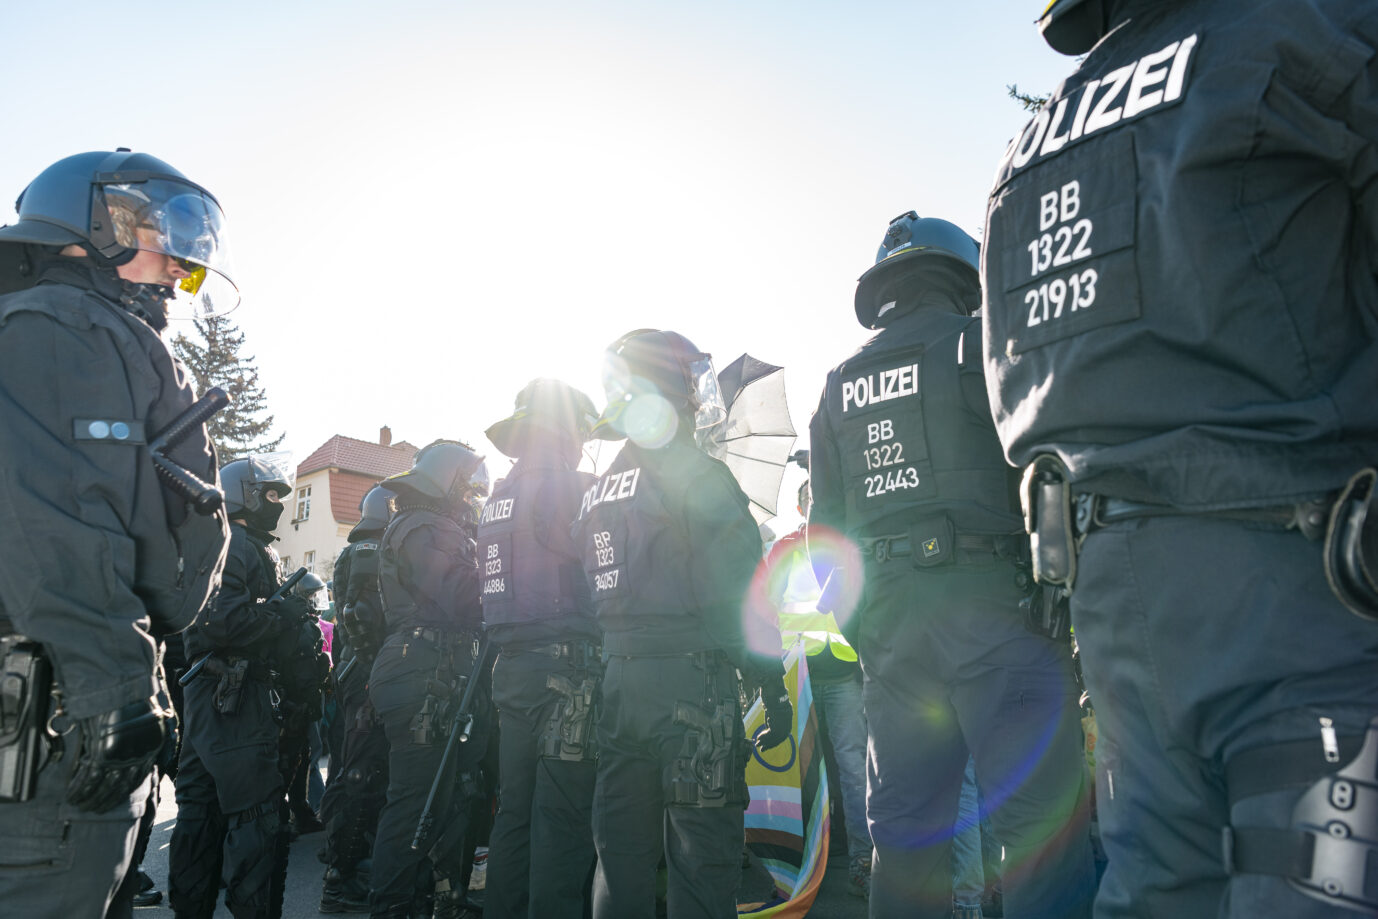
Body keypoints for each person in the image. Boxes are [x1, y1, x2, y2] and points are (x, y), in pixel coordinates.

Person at [981, 2, 1378, 916]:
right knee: (1323, 892)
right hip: (1297, 589)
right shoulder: (1307, 33)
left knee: (1161, 891)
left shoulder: (1024, 150)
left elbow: (1011, 393)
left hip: (1116, 604)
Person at [808, 213, 1096, 919]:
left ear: (886, 288)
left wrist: (870, 631)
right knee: (1041, 834)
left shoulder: (837, 385)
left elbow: (825, 539)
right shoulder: (985, 345)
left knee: (906, 846)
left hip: (893, 640)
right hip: (1001, 618)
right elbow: (1051, 469)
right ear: (963, 277)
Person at [0, 149, 232, 916]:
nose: (182, 264)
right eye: (167, 230)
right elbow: (57, 521)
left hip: (71, 708)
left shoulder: (91, 331)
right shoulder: (61, 324)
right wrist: (112, 688)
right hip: (61, 717)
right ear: (95, 221)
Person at [574, 329, 792, 919]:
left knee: (620, 862)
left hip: (619, 688)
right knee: (702, 866)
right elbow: (740, 602)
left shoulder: (596, 492)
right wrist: (772, 688)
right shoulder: (700, 476)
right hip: (692, 694)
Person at [170, 454, 324, 919]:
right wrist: (284, 616)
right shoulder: (236, 544)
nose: (279, 503)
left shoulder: (226, 541)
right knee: (256, 818)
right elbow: (225, 621)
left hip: (214, 695)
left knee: (199, 813)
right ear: (246, 494)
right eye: (272, 494)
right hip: (233, 696)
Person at [479, 379, 602, 919]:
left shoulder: (497, 498)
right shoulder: (575, 488)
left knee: (514, 815)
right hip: (567, 676)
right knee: (563, 821)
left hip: (512, 672)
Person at [370, 441, 491, 919]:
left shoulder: (431, 525)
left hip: (436, 671)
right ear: (449, 481)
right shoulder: (425, 527)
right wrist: (504, 574)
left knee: (446, 798)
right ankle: (392, 909)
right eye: (470, 484)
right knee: (414, 807)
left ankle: (438, 900)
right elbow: (463, 595)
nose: (476, 495)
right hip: (423, 672)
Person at [761, 479, 873, 899]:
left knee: (852, 770)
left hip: (842, 674)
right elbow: (763, 608)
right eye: (810, 499)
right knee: (800, 774)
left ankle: (862, 861)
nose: (816, 506)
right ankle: (801, 864)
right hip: (797, 678)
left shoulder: (844, 547)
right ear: (799, 503)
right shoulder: (784, 549)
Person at [319, 485, 395, 914]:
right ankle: (341, 875)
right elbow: (361, 618)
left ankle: (343, 861)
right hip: (364, 674)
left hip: (358, 672)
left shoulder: (363, 547)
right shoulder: (370, 549)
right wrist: (373, 673)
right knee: (361, 775)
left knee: (355, 770)